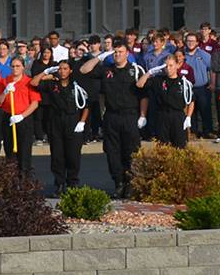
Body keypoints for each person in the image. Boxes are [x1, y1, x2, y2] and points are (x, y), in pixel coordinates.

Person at [83, 44, 147, 198]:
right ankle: (118, 183)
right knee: (112, 152)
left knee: (131, 151)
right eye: (115, 52)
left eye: (120, 52)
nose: (117, 54)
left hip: (130, 115)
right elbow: (84, 70)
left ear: (127, 54)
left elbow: (144, 95)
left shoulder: (136, 70)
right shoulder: (107, 69)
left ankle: (130, 183)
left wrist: (143, 115)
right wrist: (100, 56)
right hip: (111, 116)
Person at [37, 59, 91, 194]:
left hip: (73, 121)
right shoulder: (51, 84)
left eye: (65, 68)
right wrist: (45, 72)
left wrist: (82, 122)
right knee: (57, 155)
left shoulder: (76, 85)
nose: (62, 71)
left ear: (70, 71)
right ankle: (59, 183)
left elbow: (86, 105)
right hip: (56, 121)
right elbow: (33, 82)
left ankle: (72, 183)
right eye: (60, 68)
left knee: (73, 155)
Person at [0, 56, 41, 179]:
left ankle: (24, 181)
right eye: (13, 66)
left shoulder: (29, 82)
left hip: (23, 119)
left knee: (24, 151)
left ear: (23, 67)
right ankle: (12, 180)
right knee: (9, 150)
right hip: (8, 118)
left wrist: (21, 116)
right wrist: (5, 92)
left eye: (18, 66)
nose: (15, 68)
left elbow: (35, 103)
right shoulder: (5, 81)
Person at [148, 56, 193, 149]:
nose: (168, 68)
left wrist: (188, 116)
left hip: (178, 116)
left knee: (180, 147)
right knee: (163, 148)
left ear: (177, 65)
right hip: (162, 115)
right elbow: (139, 84)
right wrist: (149, 73)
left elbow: (191, 100)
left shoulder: (183, 82)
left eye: (171, 65)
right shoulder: (158, 80)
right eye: (166, 66)